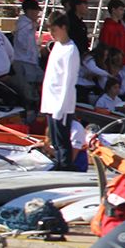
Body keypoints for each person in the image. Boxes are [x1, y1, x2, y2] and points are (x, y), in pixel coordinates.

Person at [41, 14, 81, 171]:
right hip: (51, 101)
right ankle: (58, 163)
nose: (52, 34)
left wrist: (60, 107)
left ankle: (65, 167)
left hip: (61, 104)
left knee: (63, 140)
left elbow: (68, 80)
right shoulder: (57, 46)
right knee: (55, 141)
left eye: (54, 30)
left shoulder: (71, 50)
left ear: (63, 28)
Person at [12, 0, 45, 113]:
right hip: (25, 61)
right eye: (36, 11)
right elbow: (22, 42)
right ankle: (30, 112)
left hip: (28, 60)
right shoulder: (25, 25)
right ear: (30, 11)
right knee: (28, 90)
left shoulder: (26, 24)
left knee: (32, 88)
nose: (38, 14)